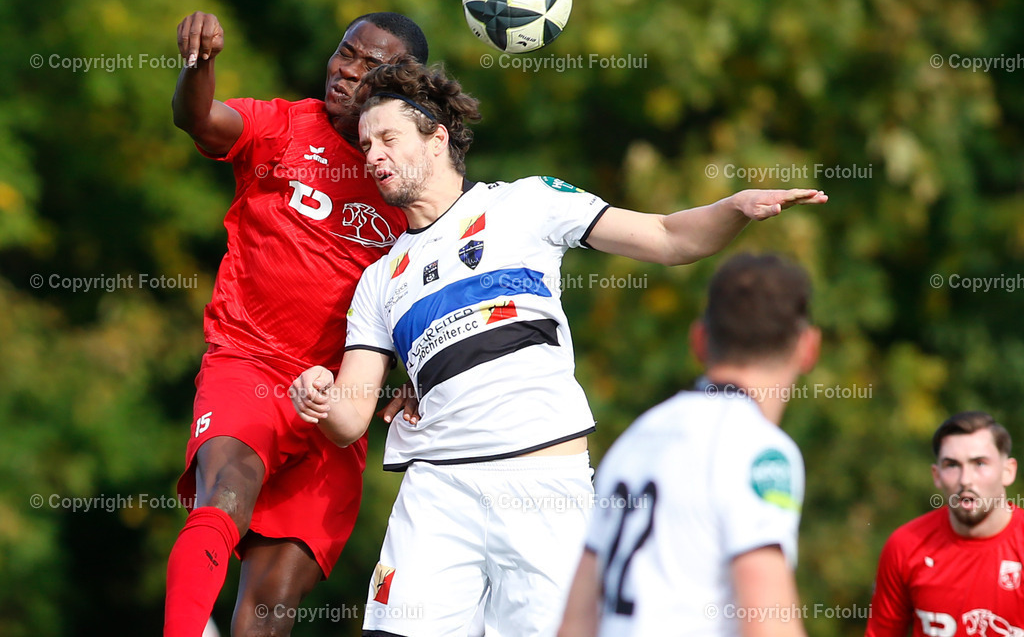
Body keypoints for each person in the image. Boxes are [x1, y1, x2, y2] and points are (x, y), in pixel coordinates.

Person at [289, 60, 828, 637]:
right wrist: (319, 396)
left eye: (388, 138)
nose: (372, 155)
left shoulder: (528, 202)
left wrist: (733, 208)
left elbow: (668, 237)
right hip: (437, 489)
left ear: (436, 138)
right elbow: (350, 417)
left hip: (543, 483)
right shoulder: (379, 280)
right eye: (365, 144)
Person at [165, 10, 427, 637]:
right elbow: (198, 119)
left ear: (403, 87)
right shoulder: (283, 126)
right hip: (248, 365)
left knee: (269, 609)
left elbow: (436, 289)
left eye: (370, 65)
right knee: (226, 492)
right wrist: (200, 64)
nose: (347, 70)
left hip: (338, 405)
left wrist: (421, 378)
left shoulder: (406, 183)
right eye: (345, 52)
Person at [557, 253, 818, 637]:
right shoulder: (761, 451)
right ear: (808, 347)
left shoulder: (634, 441)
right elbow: (769, 625)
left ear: (699, 340)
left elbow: (574, 624)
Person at [865, 411, 1024, 637]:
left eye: (980, 463)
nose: (965, 480)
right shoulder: (905, 546)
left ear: (1008, 471)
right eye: (952, 465)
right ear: (936, 475)